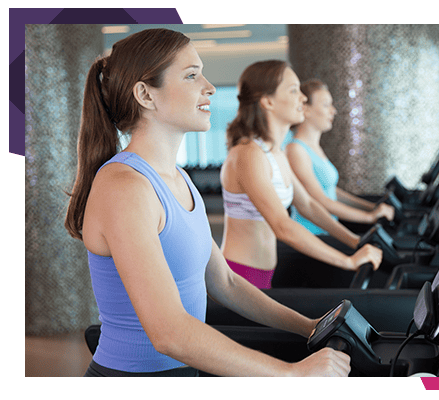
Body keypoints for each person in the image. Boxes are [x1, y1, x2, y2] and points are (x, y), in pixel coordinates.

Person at [64, 28, 351, 377]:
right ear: (145, 94)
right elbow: (169, 334)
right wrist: (292, 373)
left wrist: (306, 325)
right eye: (191, 75)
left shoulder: (178, 178)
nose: (210, 87)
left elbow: (224, 283)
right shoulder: (124, 186)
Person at [220, 60, 382, 290]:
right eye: (294, 90)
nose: (303, 98)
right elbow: (282, 226)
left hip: (265, 272)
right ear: (267, 101)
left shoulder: (275, 151)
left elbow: (307, 204)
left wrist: (355, 241)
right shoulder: (248, 154)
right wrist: (348, 261)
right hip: (242, 275)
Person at [286, 79, 395, 235]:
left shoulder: (314, 148)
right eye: (325, 105)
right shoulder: (296, 150)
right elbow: (320, 201)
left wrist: (372, 207)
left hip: (326, 231)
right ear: (306, 109)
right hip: (311, 233)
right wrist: (368, 217)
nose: (333, 111)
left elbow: (330, 191)